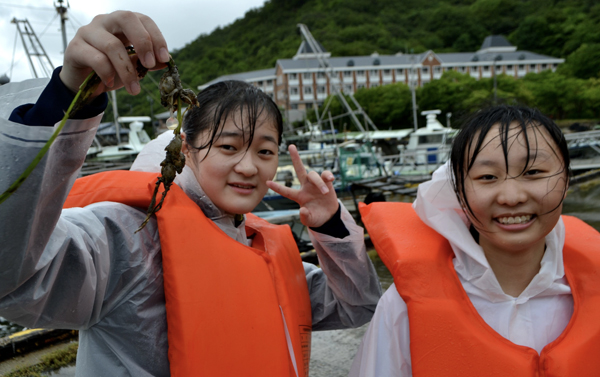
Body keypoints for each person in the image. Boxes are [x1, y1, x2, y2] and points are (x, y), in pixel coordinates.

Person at [0, 11, 381, 377]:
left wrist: (331, 224)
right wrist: (67, 94)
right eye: (229, 147)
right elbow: (17, 281)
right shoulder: (126, 237)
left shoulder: (260, 246)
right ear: (185, 149)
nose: (249, 167)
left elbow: (357, 305)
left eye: (265, 151)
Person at [350, 105, 600, 376]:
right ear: (459, 190)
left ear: (566, 180)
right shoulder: (403, 306)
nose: (511, 196)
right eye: (487, 177)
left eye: (533, 172)